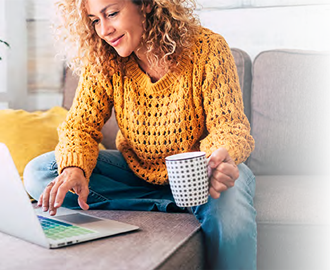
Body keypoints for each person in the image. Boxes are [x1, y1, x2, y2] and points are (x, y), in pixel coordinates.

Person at [23, 0, 257, 269]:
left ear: (146, 4)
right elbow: (80, 126)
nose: (104, 30)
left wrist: (215, 162)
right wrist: (74, 168)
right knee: (40, 172)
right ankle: (177, 204)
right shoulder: (103, 58)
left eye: (111, 14)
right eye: (94, 20)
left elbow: (230, 127)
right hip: (138, 172)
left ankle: (187, 200)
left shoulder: (208, 49)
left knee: (229, 197)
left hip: (199, 175)